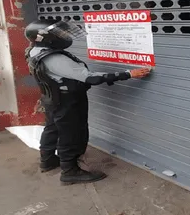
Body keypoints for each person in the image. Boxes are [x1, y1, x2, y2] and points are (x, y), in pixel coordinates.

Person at [24, 19, 151, 185]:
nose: (64, 36)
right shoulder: (55, 58)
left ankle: (47, 161)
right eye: (59, 34)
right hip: (67, 101)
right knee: (72, 134)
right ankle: (70, 171)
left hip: (51, 99)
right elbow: (92, 78)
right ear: (45, 38)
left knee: (52, 129)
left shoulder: (34, 51)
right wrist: (128, 74)